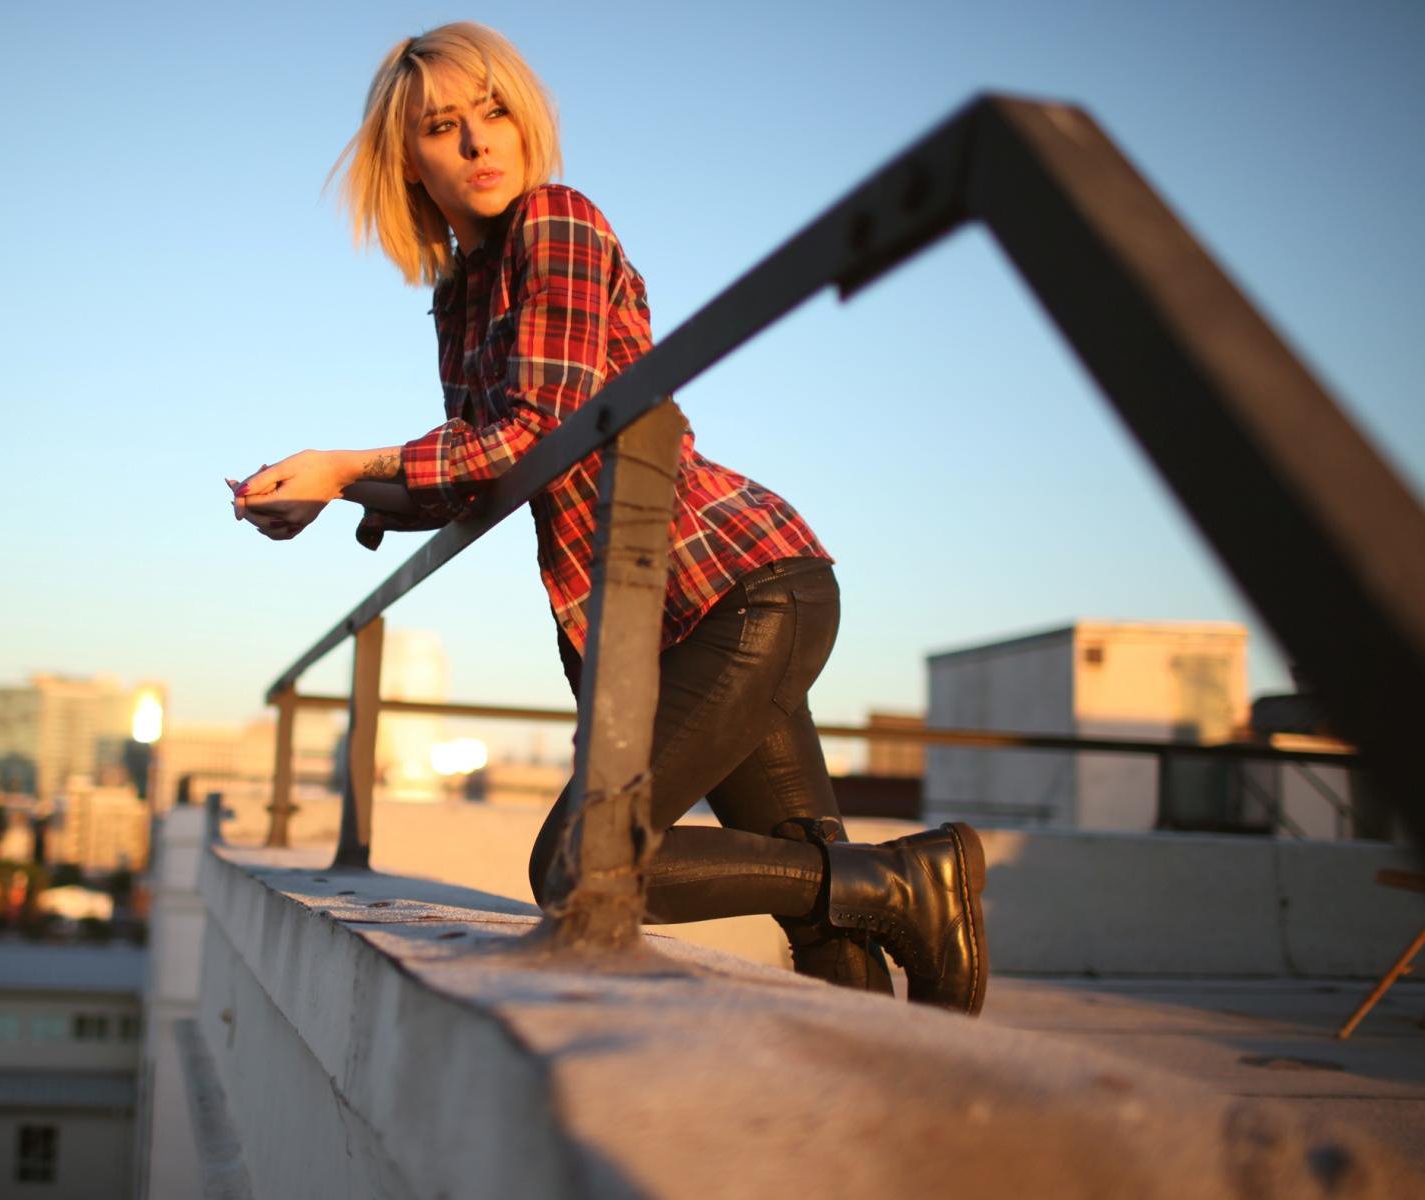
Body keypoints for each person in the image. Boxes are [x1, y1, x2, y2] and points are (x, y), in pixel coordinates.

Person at [229, 22, 987, 1014]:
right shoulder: (461, 297)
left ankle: (910, 880)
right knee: (819, 908)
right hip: (657, 624)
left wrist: (345, 466)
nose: (478, 143)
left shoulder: (558, 221)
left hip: (741, 588)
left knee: (584, 863)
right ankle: (903, 1069)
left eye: (493, 111)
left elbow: (540, 429)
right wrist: (336, 499)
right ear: (408, 163)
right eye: (444, 128)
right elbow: (483, 471)